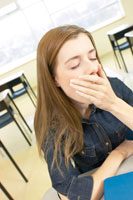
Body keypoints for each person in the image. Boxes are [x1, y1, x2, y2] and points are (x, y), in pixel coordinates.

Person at [34, 25, 133, 200]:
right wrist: (119, 154)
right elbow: (71, 195)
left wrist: (113, 104)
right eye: (74, 65)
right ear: (54, 79)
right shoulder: (50, 123)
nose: (92, 69)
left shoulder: (115, 87)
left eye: (93, 57)